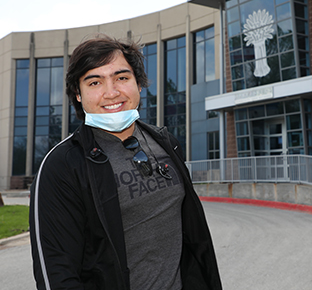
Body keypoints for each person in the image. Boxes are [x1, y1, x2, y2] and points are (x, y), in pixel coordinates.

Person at [29, 33, 222, 290]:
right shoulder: (61, 166)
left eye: (121, 78)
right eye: (95, 82)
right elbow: (56, 273)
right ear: (78, 93)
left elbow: (192, 242)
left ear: (138, 84)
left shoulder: (166, 143)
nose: (112, 92)